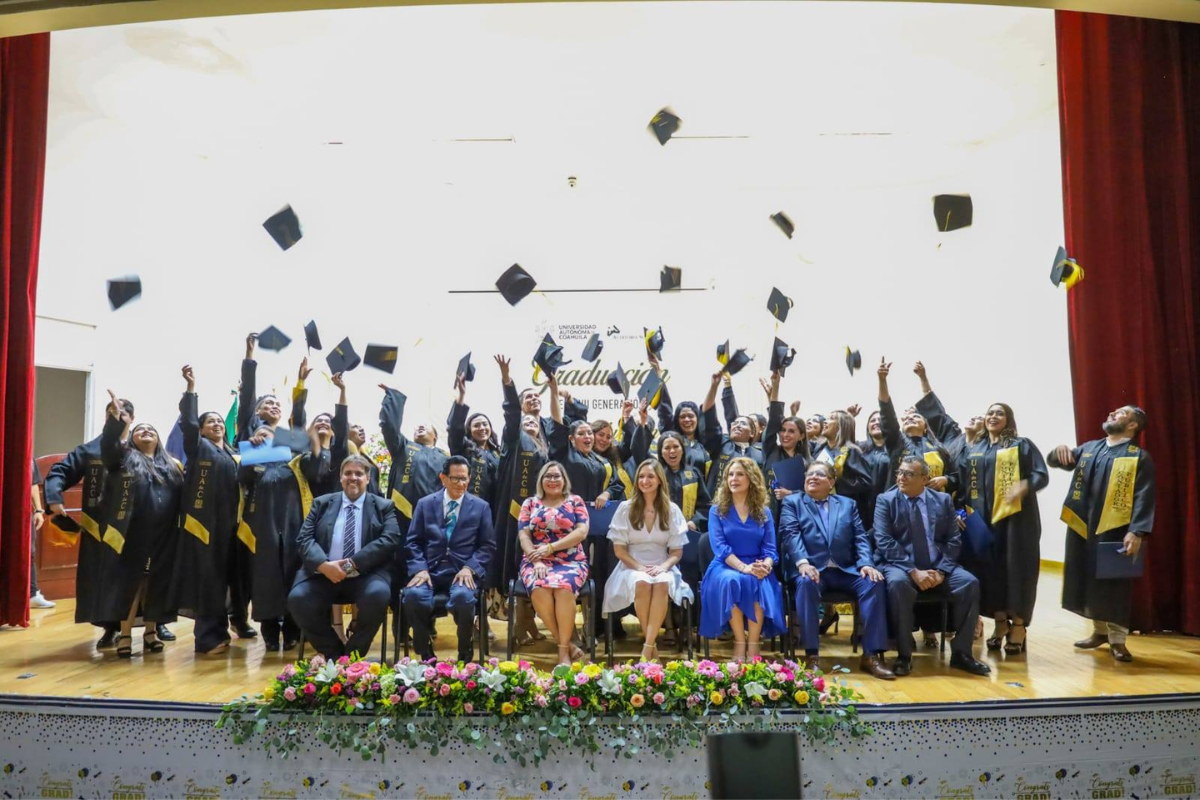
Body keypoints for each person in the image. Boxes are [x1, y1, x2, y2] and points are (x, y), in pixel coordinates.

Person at [237, 338, 327, 651]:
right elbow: (246, 398)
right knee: (265, 570)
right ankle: (268, 626)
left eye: (277, 404)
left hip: (291, 508)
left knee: (292, 565)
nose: (274, 407)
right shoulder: (251, 431)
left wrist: (301, 383)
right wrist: (250, 357)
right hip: (261, 510)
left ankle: (292, 625)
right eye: (268, 404)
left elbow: (299, 418)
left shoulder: (289, 437)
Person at [1049, 405, 1155, 662]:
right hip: (1083, 526)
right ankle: (1099, 632)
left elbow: (1144, 496)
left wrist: (1137, 531)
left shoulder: (1138, 457)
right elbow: (1059, 461)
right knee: (1088, 578)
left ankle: (1117, 640)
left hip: (1116, 528)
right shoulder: (1090, 448)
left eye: (1121, 413)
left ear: (1133, 425)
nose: (1112, 413)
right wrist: (1057, 451)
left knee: (1115, 584)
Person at [874, 456, 990, 676]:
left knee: (969, 583)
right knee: (897, 584)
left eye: (909, 474)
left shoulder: (942, 500)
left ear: (924, 479)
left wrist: (942, 571)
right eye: (900, 472)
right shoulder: (885, 500)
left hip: (938, 565)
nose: (901, 477)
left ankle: (962, 654)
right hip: (901, 566)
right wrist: (913, 571)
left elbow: (953, 539)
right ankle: (904, 655)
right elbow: (884, 541)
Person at [779, 462, 894, 679]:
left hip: (846, 570)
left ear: (831, 482)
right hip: (812, 569)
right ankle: (812, 655)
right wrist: (803, 563)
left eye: (820, 474)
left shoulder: (847, 504)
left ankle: (871, 655)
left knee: (874, 582)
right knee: (806, 583)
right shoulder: (793, 502)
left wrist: (866, 564)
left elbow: (860, 537)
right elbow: (790, 534)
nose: (813, 477)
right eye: (810, 474)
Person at [96, 390, 184, 658]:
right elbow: (109, 446)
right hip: (133, 534)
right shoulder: (123, 459)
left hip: (165, 536)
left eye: (151, 429)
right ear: (132, 438)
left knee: (156, 584)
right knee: (131, 584)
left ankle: (150, 632)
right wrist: (117, 422)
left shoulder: (173, 465)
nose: (146, 431)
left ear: (158, 439)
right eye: (140, 429)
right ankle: (124, 634)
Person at [288, 455, 403, 658]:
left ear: (368, 478)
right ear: (340, 477)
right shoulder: (321, 503)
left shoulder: (384, 506)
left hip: (366, 575)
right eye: (348, 473)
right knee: (298, 599)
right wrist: (324, 565)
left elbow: (390, 539)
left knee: (378, 596)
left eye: (359, 473)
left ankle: (353, 655)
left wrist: (351, 565)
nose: (353, 478)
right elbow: (304, 539)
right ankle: (333, 654)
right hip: (323, 574)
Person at [44, 396, 135, 647]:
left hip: (136, 524)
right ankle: (110, 627)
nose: (116, 418)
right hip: (101, 526)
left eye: (121, 414)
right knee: (105, 578)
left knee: (142, 576)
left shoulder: (141, 446)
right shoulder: (90, 450)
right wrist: (54, 498)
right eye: (111, 414)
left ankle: (155, 624)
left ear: (131, 419)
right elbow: (60, 471)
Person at [958, 403, 1049, 654]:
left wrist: (1025, 485)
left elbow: (1041, 474)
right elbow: (963, 485)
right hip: (983, 523)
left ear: (1008, 419)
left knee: (1017, 571)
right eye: (990, 412)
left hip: (1016, 523)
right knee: (990, 573)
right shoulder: (975, 450)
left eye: (1000, 413)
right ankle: (1000, 624)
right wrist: (961, 513)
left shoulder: (1021, 445)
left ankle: (1018, 626)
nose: (993, 416)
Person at [171, 366, 243, 654]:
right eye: (210, 421)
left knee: (224, 581)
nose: (217, 423)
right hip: (205, 526)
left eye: (219, 421)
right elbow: (188, 424)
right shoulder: (199, 446)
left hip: (229, 526)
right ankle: (206, 638)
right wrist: (191, 389)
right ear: (201, 429)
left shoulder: (232, 452)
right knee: (208, 581)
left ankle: (222, 630)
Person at [404, 455, 496, 662]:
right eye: (455, 478)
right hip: (430, 570)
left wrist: (470, 568)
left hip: (462, 571)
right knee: (413, 596)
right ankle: (425, 651)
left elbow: (487, 545)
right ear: (443, 478)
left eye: (464, 479)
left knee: (464, 598)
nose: (460, 484)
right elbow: (413, 542)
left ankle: (465, 652)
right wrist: (420, 569)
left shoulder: (480, 506)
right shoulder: (425, 504)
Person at [603, 459, 694, 661]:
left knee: (662, 583)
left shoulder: (672, 509)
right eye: (641, 477)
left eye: (650, 476)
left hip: (663, 563)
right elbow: (619, 550)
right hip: (631, 564)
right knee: (642, 582)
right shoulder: (626, 508)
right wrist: (640, 567)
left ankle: (647, 649)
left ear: (660, 480)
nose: (645, 481)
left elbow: (676, 552)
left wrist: (663, 566)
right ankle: (651, 649)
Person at [490, 355, 553, 644]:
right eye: (524, 418)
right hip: (515, 512)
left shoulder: (544, 444)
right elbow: (513, 415)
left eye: (533, 421)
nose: (529, 422)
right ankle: (519, 623)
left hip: (541, 515)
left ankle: (527, 622)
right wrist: (507, 380)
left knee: (535, 564)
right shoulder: (514, 439)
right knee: (516, 565)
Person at [698, 457, 786, 660]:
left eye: (740, 474)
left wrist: (766, 565)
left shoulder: (763, 511)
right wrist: (744, 567)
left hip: (757, 563)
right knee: (733, 580)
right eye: (730, 474)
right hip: (725, 564)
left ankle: (753, 644)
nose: (733, 479)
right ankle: (739, 642)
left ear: (751, 479)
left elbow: (770, 549)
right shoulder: (717, 510)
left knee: (758, 580)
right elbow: (720, 548)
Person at [517, 461, 591, 665]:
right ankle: (565, 645)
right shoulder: (530, 503)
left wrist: (551, 548)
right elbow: (523, 536)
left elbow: (581, 532)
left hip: (571, 560)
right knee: (540, 589)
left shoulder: (575, 501)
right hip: (535, 559)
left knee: (564, 589)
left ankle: (562, 651)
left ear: (564, 479)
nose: (552, 480)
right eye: (547, 476)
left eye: (556, 476)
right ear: (541, 480)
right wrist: (536, 559)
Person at [876, 358, 958, 495]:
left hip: (932, 503)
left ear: (926, 426)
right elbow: (886, 411)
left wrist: (946, 479)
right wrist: (882, 380)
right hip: (900, 503)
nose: (910, 418)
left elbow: (956, 477)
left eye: (916, 416)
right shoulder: (896, 442)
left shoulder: (939, 448)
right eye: (907, 418)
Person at [379, 384, 448, 531]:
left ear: (435, 436)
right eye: (417, 427)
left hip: (433, 516)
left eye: (426, 426)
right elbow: (389, 426)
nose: (420, 427)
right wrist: (393, 398)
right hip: (400, 512)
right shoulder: (403, 446)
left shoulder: (445, 457)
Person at [701, 371, 764, 498]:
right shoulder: (721, 444)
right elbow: (709, 416)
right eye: (734, 423)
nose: (737, 425)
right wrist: (714, 387)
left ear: (752, 433)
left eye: (743, 424)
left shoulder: (760, 455)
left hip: (747, 506)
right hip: (717, 505)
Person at [448, 373, 501, 510]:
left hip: (496, 508)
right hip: (469, 507)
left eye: (485, 424)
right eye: (476, 425)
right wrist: (461, 396)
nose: (482, 428)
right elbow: (455, 429)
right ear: (469, 430)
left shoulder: (498, 452)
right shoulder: (464, 448)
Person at [29, 459, 54, 609]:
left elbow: (33, 483)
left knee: (29, 552)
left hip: (22, 510)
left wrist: (38, 510)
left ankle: (32, 594)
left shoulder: (26, 454)